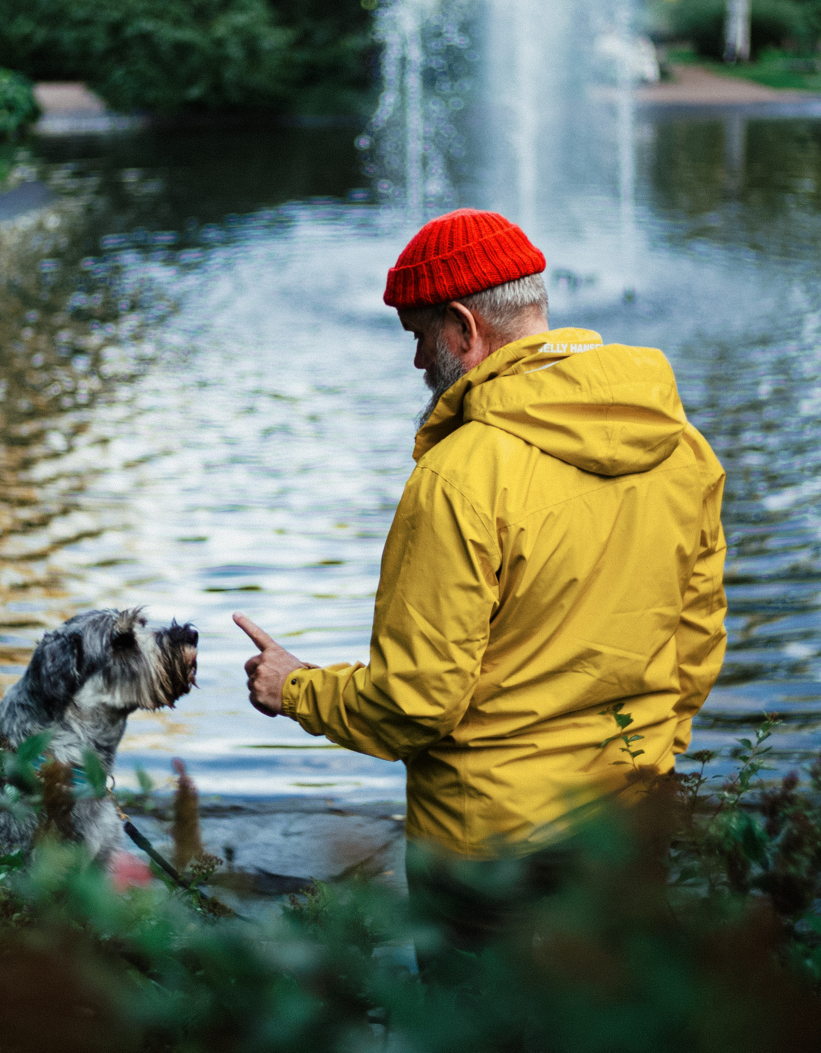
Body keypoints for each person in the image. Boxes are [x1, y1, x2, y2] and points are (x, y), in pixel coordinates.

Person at [235, 207, 727, 973]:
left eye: (420, 338)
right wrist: (648, 760)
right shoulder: (679, 444)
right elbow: (696, 645)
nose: (416, 365)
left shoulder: (460, 478)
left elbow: (415, 703)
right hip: (629, 816)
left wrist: (297, 687)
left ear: (464, 328)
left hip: (488, 849)